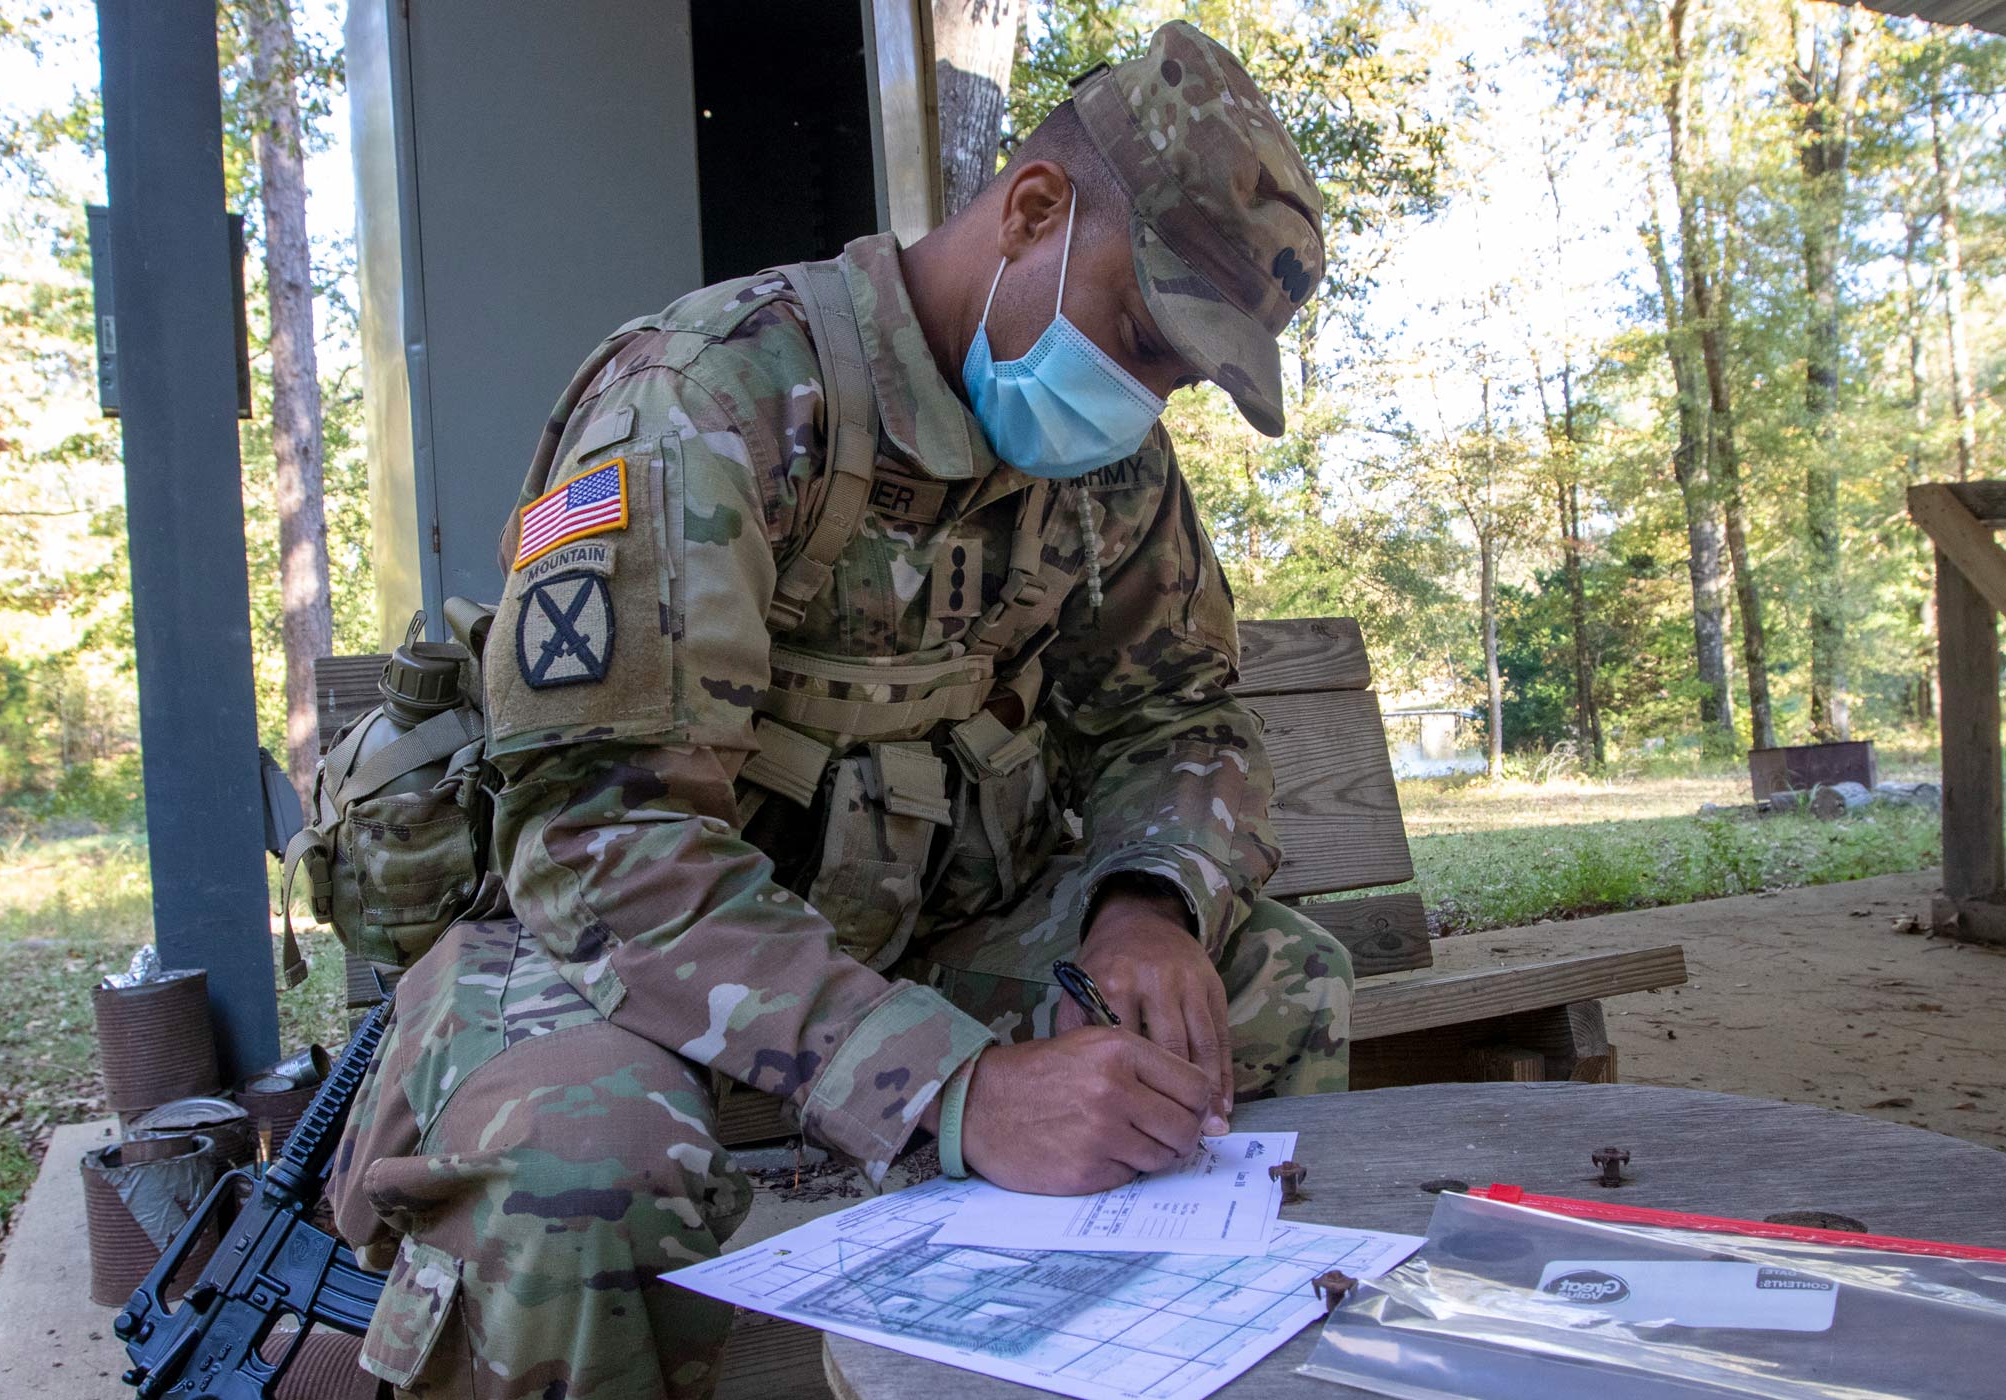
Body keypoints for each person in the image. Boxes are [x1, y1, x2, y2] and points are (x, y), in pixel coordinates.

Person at [329, 22, 1347, 1400]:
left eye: (1182, 372)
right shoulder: (707, 401)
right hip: (609, 965)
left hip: (913, 942)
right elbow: (600, 849)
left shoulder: (1109, 477)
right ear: (1033, 210)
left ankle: (1122, 1362)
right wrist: (958, 1092)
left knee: (1266, 985)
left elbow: (1181, 717)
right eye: (1140, 333)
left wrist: (1148, 901)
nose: (1146, 394)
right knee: (584, 1165)